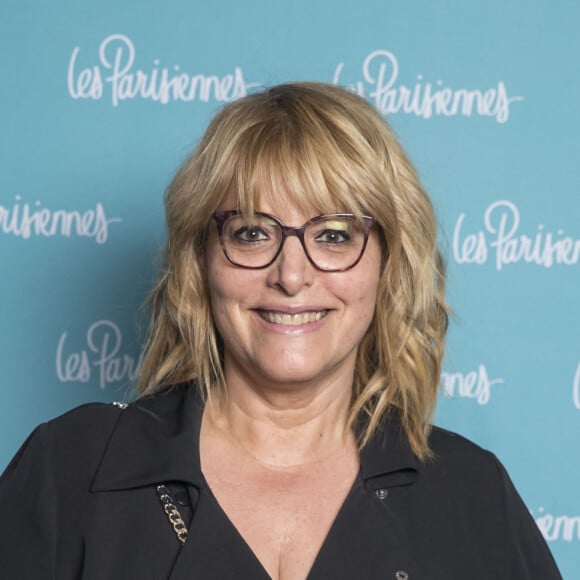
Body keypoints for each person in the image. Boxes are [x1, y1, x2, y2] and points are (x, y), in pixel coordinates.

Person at [0, 82, 561, 579]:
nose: (291, 275)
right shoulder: (69, 469)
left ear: (388, 266)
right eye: (251, 233)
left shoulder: (471, 492)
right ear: (201, 261)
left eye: (335, 236)